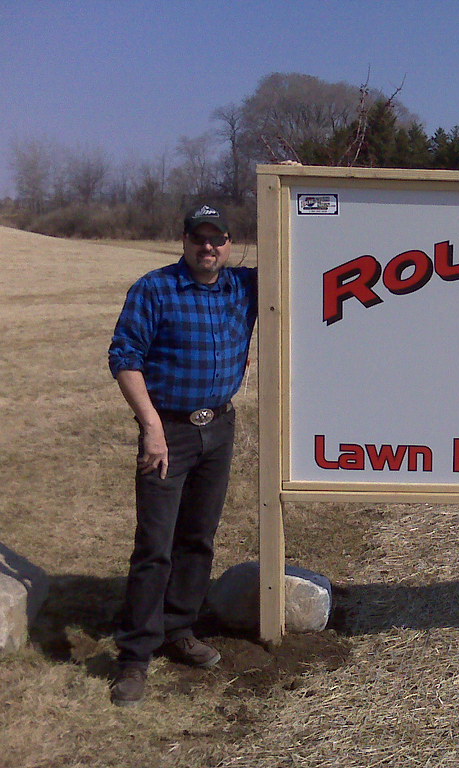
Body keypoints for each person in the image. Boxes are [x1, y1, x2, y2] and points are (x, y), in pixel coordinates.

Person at [107, 204, 257, 707]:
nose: (208, 248)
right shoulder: (155, 289)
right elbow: (124, 358)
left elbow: (300, 259)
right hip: (167, 429)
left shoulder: (244, 288)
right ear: (186, 240)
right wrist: (151, 427)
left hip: (219, 426)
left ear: (230, 243)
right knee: (155, 544)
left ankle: (179, 628)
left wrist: (294, 184)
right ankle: (135, 656)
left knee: (198, 537)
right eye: (199, 238)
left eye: (217, 239)